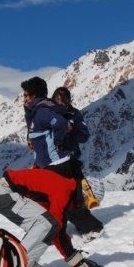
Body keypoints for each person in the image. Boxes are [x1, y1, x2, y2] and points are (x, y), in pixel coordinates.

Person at [0, 77, 106, 267]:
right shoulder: (62, 187)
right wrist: (76, 262)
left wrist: (74, 260)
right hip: (6, 192)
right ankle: (15, 266)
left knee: (45, 226)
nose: (84, 201)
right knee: (48, 225)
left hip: (9, 188)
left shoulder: (40, 112)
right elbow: (58, 226)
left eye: (26, 95)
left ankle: (23, 263)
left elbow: (56, 230)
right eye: (86, 198)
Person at [51, 86, 105, 241]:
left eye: (64, 99)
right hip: (53, 161)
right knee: (60, 198)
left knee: (75, 197)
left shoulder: (74, 114)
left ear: (69, 101)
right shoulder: (48, 114)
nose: (60, 102)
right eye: (57, 99)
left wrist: (72, 128)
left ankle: (89, 227)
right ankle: (60, 227)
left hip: (71, 160)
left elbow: (84, 135)